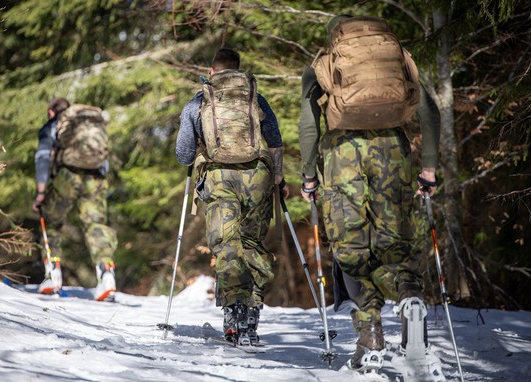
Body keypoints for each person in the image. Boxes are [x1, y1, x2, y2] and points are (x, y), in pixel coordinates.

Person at [298, 16, 441, 372]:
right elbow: (429, 112)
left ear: (336, 39)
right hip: (393, 148)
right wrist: (429, 168)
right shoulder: (397, 59)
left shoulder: (323, 66)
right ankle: (409, 296)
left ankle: (370, 335)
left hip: (341, 155)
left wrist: (308, 176)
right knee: (396, 242)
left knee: (351, 249)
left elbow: (308, 124)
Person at [176, 48, 290, 346]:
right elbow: (275, 140)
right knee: (252, 243)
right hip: (258, 178)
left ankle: (233, 312)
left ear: (211, 72)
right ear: (238, 71)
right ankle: (252, 314)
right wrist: (278, 177)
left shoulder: (199, 101)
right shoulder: (255, 98)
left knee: (227, 244)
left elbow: (183, 154)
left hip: (219, 178)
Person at [32, 97, 119, 302]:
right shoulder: (92, 121)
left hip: (67, 176)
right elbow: (104, 159)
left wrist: (41, 192)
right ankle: (107, 275)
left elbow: (43, 157)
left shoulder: (54, 124)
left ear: (52, 112)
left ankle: (53, 275)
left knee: (51, 222)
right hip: (96, 176)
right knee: (96, 224)